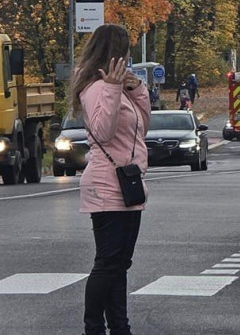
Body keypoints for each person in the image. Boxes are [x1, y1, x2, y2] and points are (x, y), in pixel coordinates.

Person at [70, 24, 151, 335]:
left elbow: (141, 129)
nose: (129, 58)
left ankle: (120, 327)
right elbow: (103, 131)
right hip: (106, 186)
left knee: (119, 265)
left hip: (127, 185)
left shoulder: (117, 87)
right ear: (115, 53)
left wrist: (136, 89)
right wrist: (114, 89)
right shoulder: (95, 88)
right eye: (126, 52)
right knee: (107, 263)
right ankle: (93, 328)